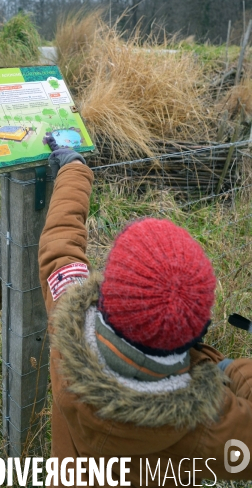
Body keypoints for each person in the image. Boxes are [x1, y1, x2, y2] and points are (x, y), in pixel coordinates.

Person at [38, 141, 252, 486]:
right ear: (195, 328)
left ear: (110, 293)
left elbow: (60, 243)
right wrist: (225, 368)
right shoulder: (210, 421)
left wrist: (74, 168)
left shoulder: (69, 321)